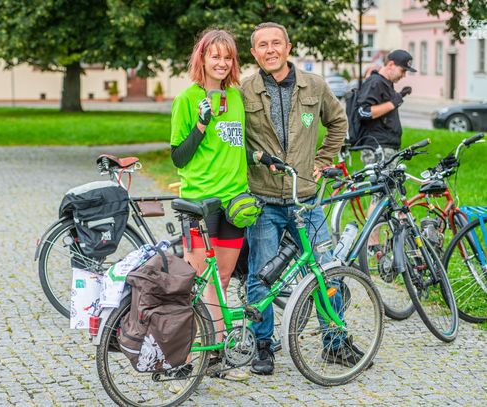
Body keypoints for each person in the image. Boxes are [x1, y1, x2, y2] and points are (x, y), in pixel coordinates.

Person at [241, 22, 349, 375]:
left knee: (327, 272)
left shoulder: (314, 85)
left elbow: (338, 122)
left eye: (276, 43)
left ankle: (335, 342)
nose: (270, 50)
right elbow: (232, 140)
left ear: (288, 47)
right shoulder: (244, 91)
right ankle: (263, 345)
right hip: (263, 201)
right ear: (254, 53)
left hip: (305, 199)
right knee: (261, 276)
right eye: (262, 45)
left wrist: (324, 159)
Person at [170, 29, 249, 381]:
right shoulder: (186, 99)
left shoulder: (237, 98)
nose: (222, 62)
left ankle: (215, 356)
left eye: (228, 57)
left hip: (234, 202)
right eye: (215, 56)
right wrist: (201, 124)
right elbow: (179, 157)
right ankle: (184, 357)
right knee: (198, 283)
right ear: (201, 58)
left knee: (224, 280)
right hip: (199, 204)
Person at [356, 49, 415, 164]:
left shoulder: (386, 84)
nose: (404, 75)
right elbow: (363, 112)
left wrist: (400, 96)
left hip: (388, 147)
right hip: (377, 148)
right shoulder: (375, 82)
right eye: (402, 70)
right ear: (391, 65)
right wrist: (393, 103)